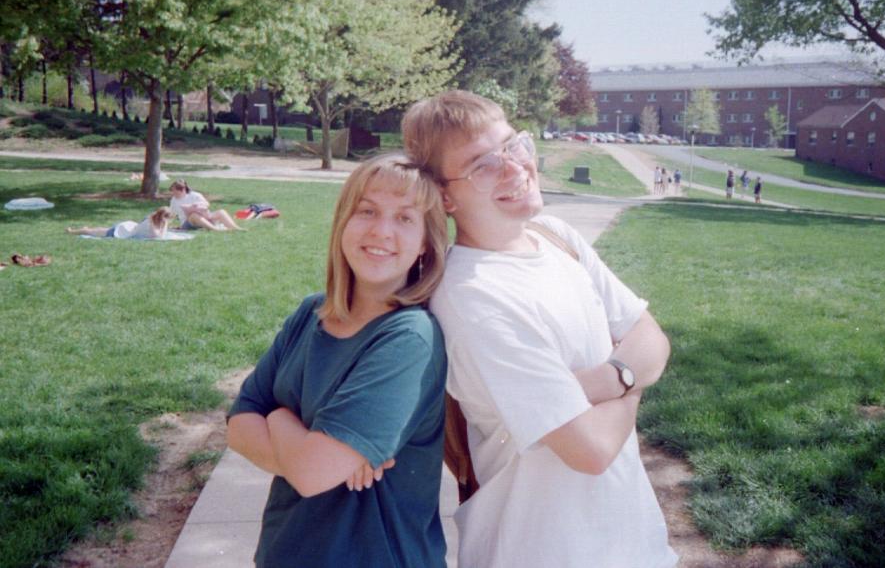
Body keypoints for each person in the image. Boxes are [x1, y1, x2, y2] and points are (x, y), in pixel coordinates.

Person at [402, 90, 677, 568]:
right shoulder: (473, 297)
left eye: (513, 146)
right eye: (483, 165)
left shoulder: (555, 238)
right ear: (444, 194)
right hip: (542, 550)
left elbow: (654, 340)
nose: (515, 168)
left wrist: (606, 379)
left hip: (633, 542)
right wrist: (632, 382)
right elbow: (589, 449)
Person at [226, 153, 449, 568]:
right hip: (284, 551)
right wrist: (310, 454)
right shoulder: (310, 314)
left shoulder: (409, 338)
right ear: (344, 221)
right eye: (367, 211)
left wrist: (276, 418)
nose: (381, 231)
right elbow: (238, 426)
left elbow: (312, 474)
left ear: (424, 244)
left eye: (405, 218)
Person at [168, 179, 244, 231]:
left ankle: (235, 228)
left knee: (221, 211)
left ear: (182, 189)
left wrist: (197, 207)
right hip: (188, 222)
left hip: (204, 216)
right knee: (194, 215)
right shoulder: (174, 200)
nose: (173, 192)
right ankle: (215, 230)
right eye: (172, 190)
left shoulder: (195, 195)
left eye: (174, 190)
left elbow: (206, 204)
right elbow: (171, 214)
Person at [66, 206, 175, 239]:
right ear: (163, 217)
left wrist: (165, 224)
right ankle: (72, 231)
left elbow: (161, 235)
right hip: (123, 231)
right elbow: (157, 236)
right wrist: (165, 224)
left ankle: (86, 228)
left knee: (101, 230)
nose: (169, 221)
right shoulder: (151, 221)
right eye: (168, 219)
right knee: (93, 232)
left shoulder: (157, 221)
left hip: (128, 227)